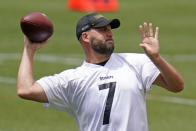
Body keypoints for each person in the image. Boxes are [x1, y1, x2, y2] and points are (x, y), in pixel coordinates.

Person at [17, 13, 184, 131]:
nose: (109, 33)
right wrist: (29, 49)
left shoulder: (135, 62)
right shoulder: (73, 79)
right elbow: (25, 89)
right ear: (85, 37)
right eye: (102, 30)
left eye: (109, 29)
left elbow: (177, 86)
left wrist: (156, 58)